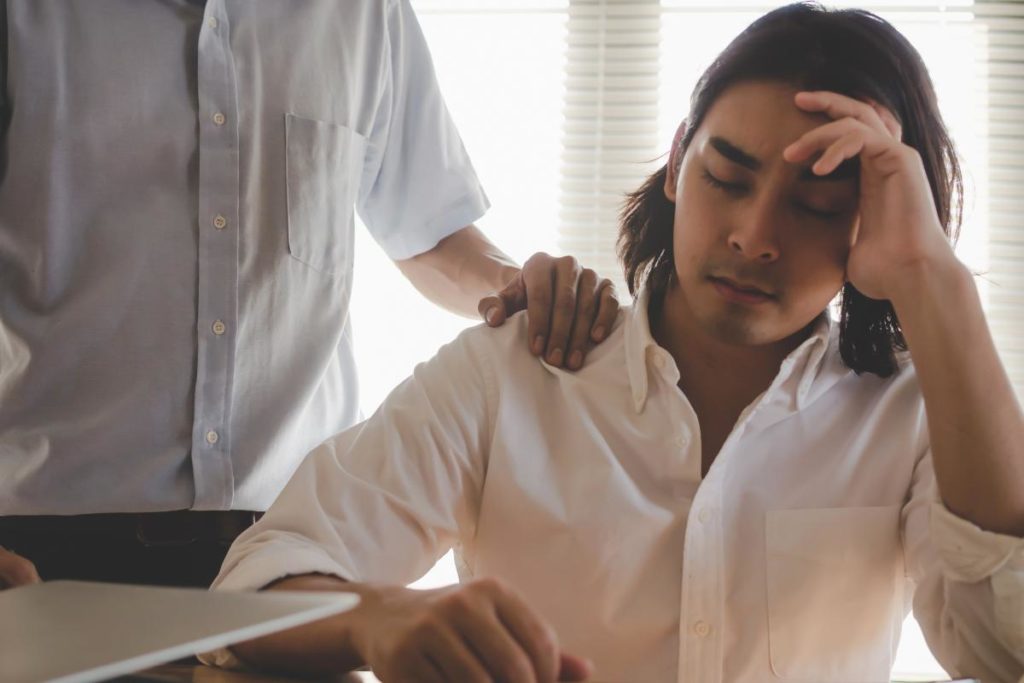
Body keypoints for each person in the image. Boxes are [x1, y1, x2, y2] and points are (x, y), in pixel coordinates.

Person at [207, 3, 1024, 682]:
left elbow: (1000, 650)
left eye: (813, 207)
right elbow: (247, 589)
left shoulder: (913, 413)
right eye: (727, 178)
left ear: (868, 221)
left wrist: (933, 280)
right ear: (676, 163)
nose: (753, 235)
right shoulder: (516, 373)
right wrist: (379, 616)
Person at [0, 0, 619, 589]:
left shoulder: (365, 14)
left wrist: (513, 288)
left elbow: (430, 232)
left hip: (295, 548)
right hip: (42, 546)